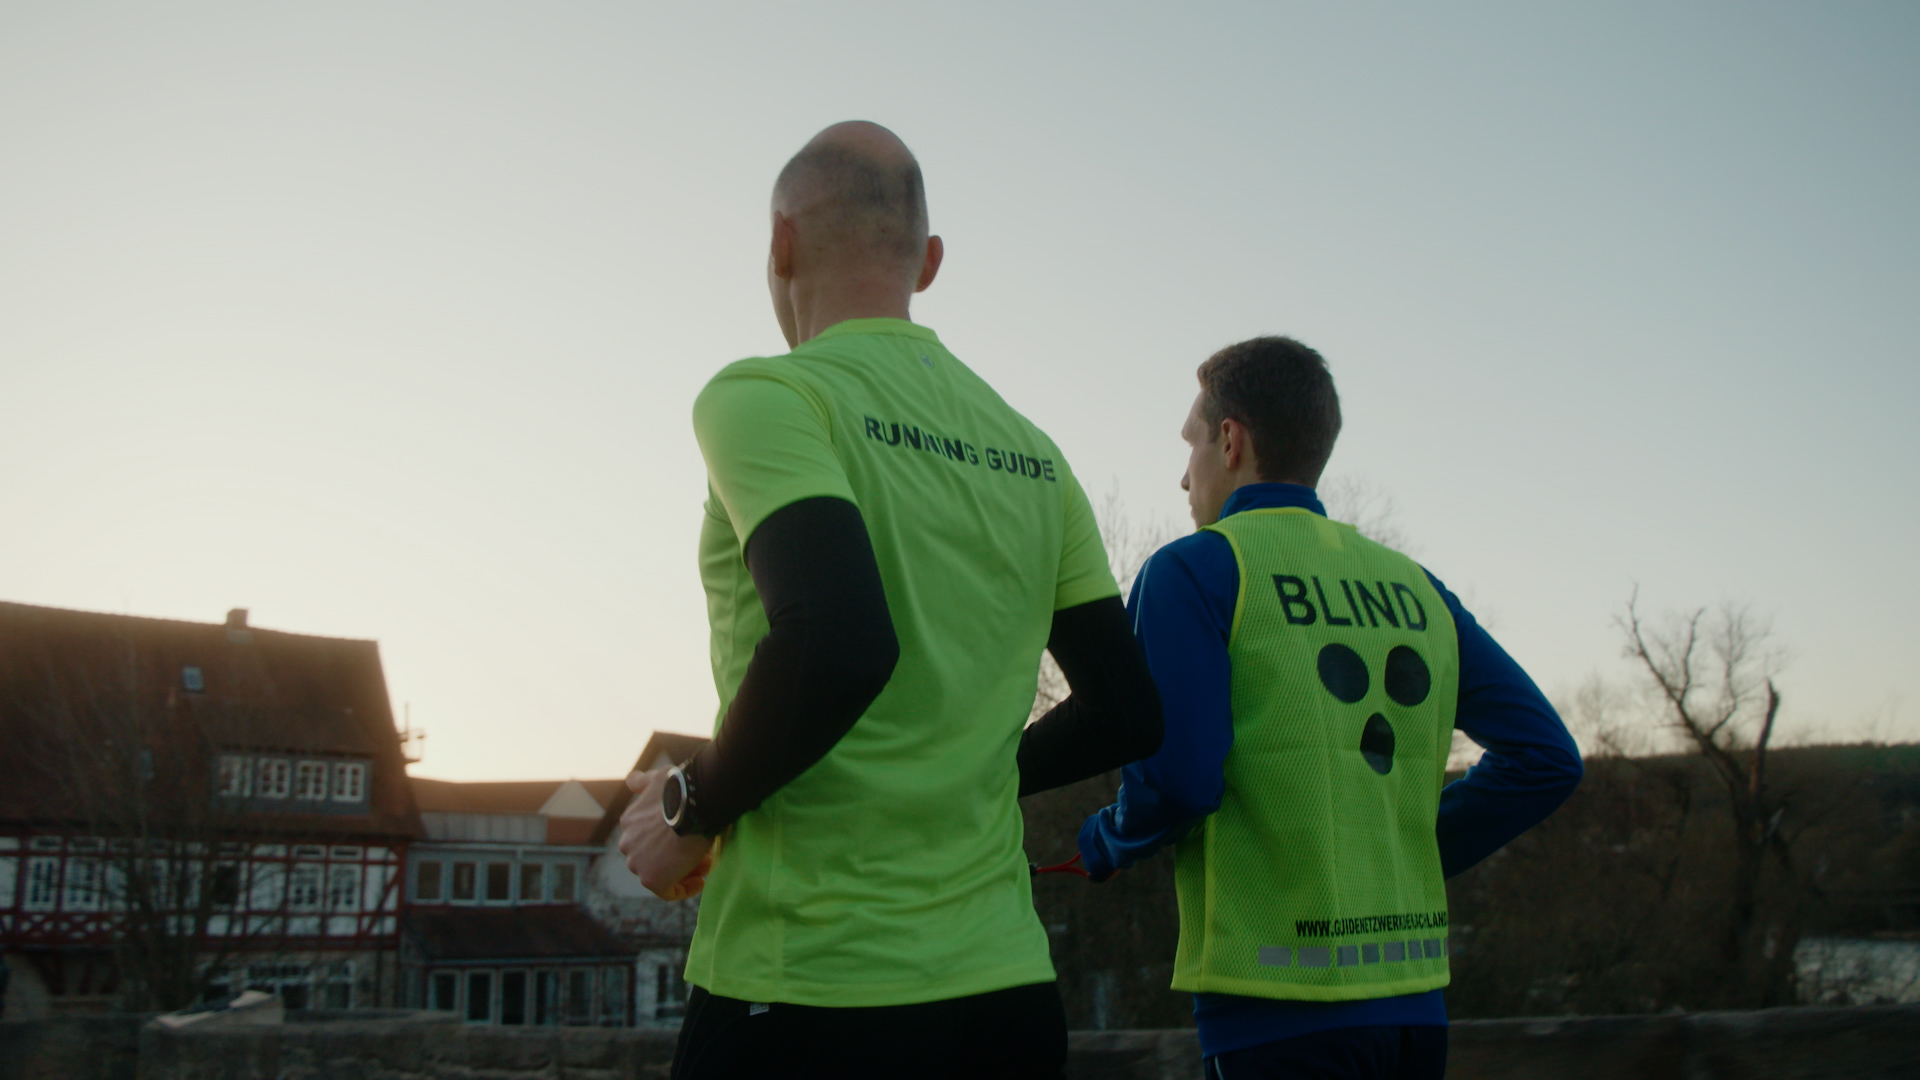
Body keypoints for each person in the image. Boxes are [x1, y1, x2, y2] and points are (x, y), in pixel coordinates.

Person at [616, 121, 1163, 1080]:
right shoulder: (1036, 454)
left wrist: (688, 805)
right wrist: (976, 772)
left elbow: (835, 644)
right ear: (930, 263)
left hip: (808, 991)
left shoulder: (770, 397)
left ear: (780, 243)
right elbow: (1127, 710)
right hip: (1006, 1002)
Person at [1078, 336, 1584, 1079]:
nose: (1182, 477)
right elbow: (1547, 760)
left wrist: (1104, 842)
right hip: (1414, 1012)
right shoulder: (1415, 586)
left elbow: (1181, 782)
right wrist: (1402, 852)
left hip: (1272, 1011)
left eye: (1189, 445)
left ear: (1230, 440)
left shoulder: (1196, 570)